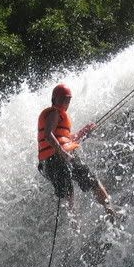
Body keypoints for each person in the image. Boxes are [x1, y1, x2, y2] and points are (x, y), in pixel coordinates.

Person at [37, 83, 116, 219]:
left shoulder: (58, 116)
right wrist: (63, 153)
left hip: (49, 163)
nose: (65, 102)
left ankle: (76, 226)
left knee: (70, 196)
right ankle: (111, 212)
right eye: (63, 99)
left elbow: (66, 140)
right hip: (58, 158)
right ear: (54, 99)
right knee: (92, 181)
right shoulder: (54, 113)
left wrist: (83, 132)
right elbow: (48, 135)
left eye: (68, 99)